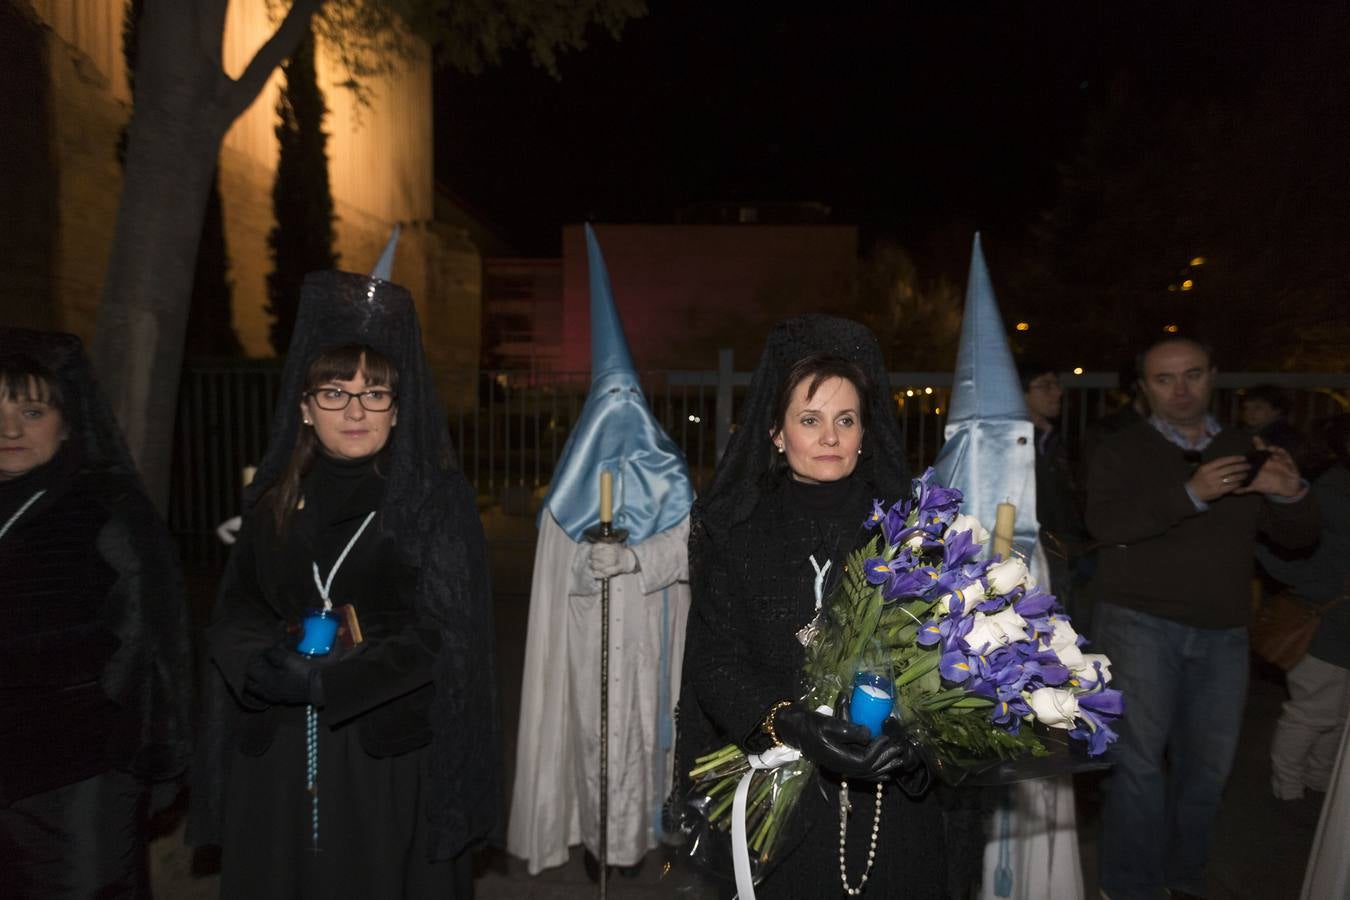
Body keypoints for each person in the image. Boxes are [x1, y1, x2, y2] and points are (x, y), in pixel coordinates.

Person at [187, 270, 498, 898]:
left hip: (381, 751)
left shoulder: (433, 502)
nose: (355, 410)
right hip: (275, 745)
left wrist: (335, 680)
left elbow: (445, 634)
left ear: (397, 409)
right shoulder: (273, 498)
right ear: (304, 408)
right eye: (334, 392)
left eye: (374, 394)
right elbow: (237, 609)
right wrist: (257, 667)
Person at [674, 315, 967, 899]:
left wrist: (917, 744)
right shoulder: (740, 535)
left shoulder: (910, 536)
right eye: (810, 420)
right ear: (778, 434)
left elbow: (951, 658)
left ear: (865, 430)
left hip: (891, 797)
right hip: (783, 791)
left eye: (845, 420)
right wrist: (791, 722)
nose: (830, 437)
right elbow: (714, 662)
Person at [1086, 335, 1319, 900]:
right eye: (1165, 379)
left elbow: (1298, 541)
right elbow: (1104, 525)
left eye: (1192, 374)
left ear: (1214, 375)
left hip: (1223, 629)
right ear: (1144, 388)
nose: (1181, 389)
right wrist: (1189, 494)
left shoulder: (1247, 446)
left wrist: (1291, 494)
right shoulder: (1119, 447)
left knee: (1208, 772)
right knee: (1138, 769)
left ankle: (1184, 877)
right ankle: (1132, 886)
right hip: (1138, 621)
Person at [508, 226, 694, 878]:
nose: (618, 422)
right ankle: (596, 843)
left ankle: (642, 841)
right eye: (605, 405)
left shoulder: (673, 478)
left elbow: (698, 551)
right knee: (594, 741)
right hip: (587, 649)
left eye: (628, 404)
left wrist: (641, 561)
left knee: (646, 742)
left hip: (652, 645)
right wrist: (587, 572)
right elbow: (553, 584)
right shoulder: (567, 494)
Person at [0, 328, 192, 898]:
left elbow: (155, 650)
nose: (10, 430)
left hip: (79, 780)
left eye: (32, 411)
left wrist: (154, 766)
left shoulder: (109, 509)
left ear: (68, 419)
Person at [1258, 414, 1350, 802]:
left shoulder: (1334, 490)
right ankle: (1289, 789)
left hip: (1335, 623)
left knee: (1337, 715)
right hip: (1322, 623)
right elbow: (1296, 558)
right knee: (1314, 712)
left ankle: (1317, 780)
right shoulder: (1331, 495)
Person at [1019, 363, 1090, 624]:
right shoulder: (1016, 442)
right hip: (1041, 551)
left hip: (1066, 547)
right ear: (1022, 393)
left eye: (1057, 385)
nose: (1057, 393)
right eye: (1045, 386)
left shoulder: (1051, 439)